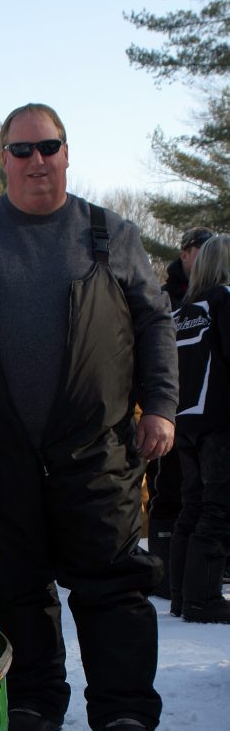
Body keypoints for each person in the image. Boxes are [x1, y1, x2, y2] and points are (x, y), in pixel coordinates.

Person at [0, 102, 178, 731]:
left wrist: (161, 405)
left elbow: (153, 323)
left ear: (65, 153)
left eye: (46, 147)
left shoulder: (109, 234)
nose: (35, 162)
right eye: (20, 150)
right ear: (2, 159)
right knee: (12, 580)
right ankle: (29, 695)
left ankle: (122, 713)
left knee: (111, 580)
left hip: (97, 445)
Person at [147, 226, 215, 599]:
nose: (201, 256)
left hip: (204, 411)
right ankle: (165, 574)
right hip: (169, 409)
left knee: (201, 493)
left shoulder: (213, 297)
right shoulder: (165, 297)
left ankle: (190, 573)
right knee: (168, 487)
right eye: (197, 249)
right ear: (185, 253)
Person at [168, 235, 230, 623]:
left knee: (192, 505)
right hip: (220, 420)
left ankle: (181, 594)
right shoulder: (225, 300)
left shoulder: (184, 310)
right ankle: (203, 598)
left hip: (184, 419)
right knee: (219, 508)